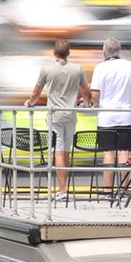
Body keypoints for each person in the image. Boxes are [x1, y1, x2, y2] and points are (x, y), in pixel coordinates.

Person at [25, 38, 91, 201]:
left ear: (54, 53)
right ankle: (64, 187)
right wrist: (87, 103)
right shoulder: (77, 69)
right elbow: (85, 91)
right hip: (70, 114)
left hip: (54, 115)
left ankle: (62, 190)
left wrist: (30, 103)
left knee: (59, 152)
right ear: (68, 53)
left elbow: (36, 92)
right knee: (66, 152)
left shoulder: (47, 70)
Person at [89, 37, 131, 189]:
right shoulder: (129, 65)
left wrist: (94, 104)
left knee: (108, 153)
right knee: (123, 153)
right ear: (119, 51)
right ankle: (124, 188)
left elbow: (94, 95)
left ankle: (108, 190)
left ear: (104, 52)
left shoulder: (100, 67)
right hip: (124, 117)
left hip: (106, 118)